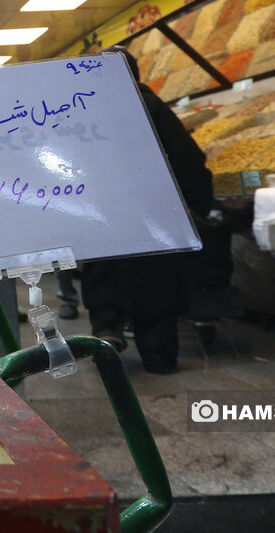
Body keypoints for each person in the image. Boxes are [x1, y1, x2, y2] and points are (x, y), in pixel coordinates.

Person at [80, 45, 224, 374]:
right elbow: (188, 158)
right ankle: (159, 356)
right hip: (154, 209)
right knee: (157, 283)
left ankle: (107, 332)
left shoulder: (82, 105)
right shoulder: (150, 104)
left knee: (104, 272)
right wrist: (198, 203)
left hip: (104, 209)